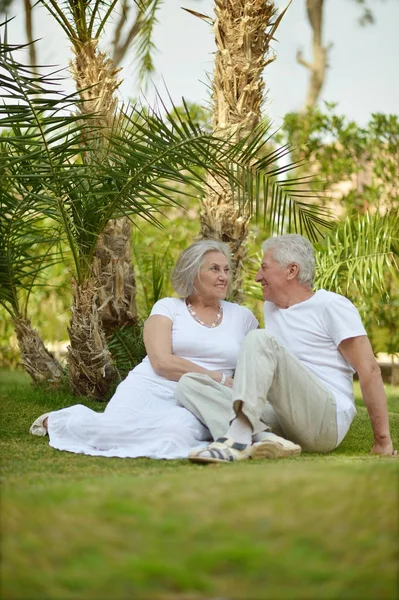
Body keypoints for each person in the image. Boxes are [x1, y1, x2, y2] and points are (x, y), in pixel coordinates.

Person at [176, 234, 397, 463]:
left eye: (264, 268)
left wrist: (383, 440)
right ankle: (264, 437)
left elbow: (369, 369)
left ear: (291, 271)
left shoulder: (331, 305)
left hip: (325, 421)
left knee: (260, 338)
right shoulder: (272, 308)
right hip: (285, 418)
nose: (257, 277)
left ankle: (238, 438)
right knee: (189, 383)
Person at [29, 240, 259, 459]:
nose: (224, 277)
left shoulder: (242, 317)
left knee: (175, 434)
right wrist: (219, 378)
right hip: (150, 386)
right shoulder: (168, 307)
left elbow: (258, 362)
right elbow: (161, 362)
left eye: (227, 270)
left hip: (198, 397)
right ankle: (60, 421)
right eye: (215, 269)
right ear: (192, 273)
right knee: (110, 430)